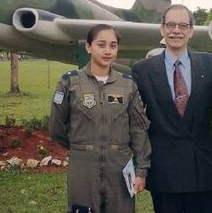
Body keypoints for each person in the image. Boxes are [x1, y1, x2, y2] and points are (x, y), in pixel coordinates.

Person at [49, 24, 151, 213]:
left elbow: (138, 129)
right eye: (101, 45)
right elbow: (56, 127)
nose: (107, 51)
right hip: (83, 168)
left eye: (113, 46)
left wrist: (141, 170)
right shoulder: (70, 82)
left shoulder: (127, 84)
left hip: (119, 167)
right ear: (88, 47)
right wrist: (81, 146)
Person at [132, 4, 212, 213]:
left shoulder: (210, 64)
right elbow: (132, 120)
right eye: (170, 24)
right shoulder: (143, 70)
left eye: (183, 25)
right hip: (164, 172)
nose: (176, 30)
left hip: (201, 170)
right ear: (161, 29)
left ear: (191, 30)